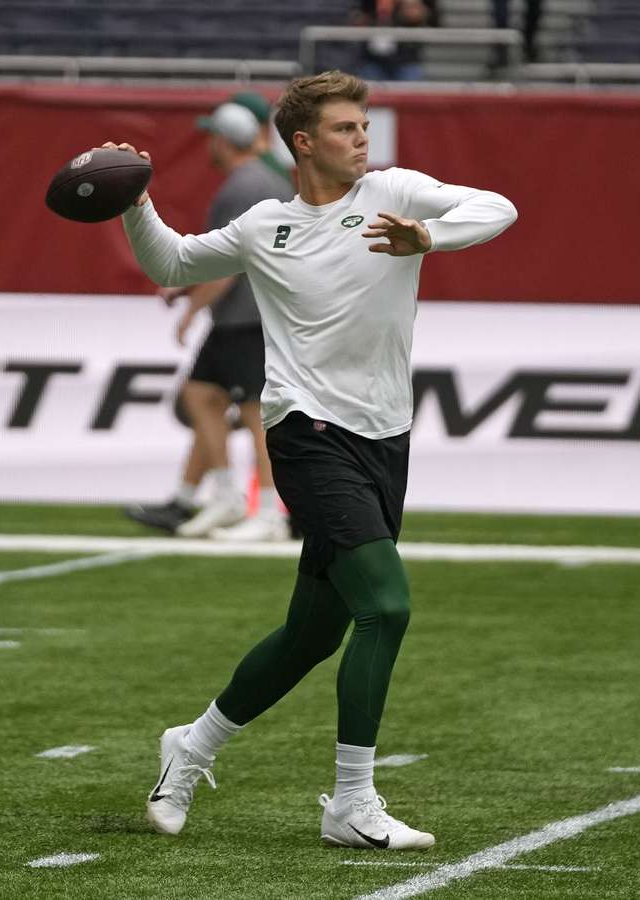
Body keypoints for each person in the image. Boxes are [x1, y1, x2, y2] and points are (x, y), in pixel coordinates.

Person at [106, 69, 515, 849]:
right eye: (345, 128)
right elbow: (172, 264)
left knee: (312, 634)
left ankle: (188, 749)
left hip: (384, 437)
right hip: (307, 432)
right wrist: (136, 203)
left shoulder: (394, 192)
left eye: (364, 126)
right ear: (303, 142)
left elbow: (496, 207)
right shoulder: (266, 225)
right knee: (386, 607)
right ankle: (351, 803)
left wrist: (430, 235)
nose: (363, 138)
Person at [124, 100, 295, 541]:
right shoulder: (262, 178)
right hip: (247, 314)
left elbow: (231, 263)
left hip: (252, 316)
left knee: (259, 414)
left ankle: (270, 512)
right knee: (202, 395)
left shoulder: (245, 185)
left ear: (223, 139)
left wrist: (193, 306)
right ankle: (223, 494)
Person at [352, 0, 440, 82]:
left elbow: (434, 22)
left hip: (406, 59)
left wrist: (420, 15)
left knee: (411, 80)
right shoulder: (367, 4)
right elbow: (355, 15)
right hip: (371, 60)